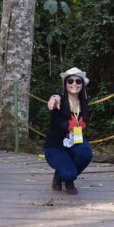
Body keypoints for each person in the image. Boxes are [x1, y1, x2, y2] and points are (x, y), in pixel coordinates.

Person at [44, 67, 93, 195]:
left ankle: (64, 177)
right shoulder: (59, 100)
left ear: (82, 84)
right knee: (68, 173)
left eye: (78, 81)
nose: (74, 84)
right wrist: (53, 98)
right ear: (65, 84)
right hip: (56, 147)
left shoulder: (83, 102)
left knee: (86, 153)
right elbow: (54, 99)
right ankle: (66, 177)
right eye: (70, 81)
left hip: (74, 142)